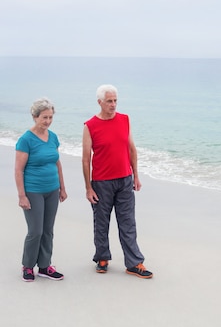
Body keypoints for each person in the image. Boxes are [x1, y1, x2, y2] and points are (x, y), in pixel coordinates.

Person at [82, 84, 153, 278]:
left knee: (128, 223)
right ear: (100, 102)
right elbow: (86, 158)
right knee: (101, 223)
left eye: (115, 101)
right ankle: (102, 257)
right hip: (101, 182)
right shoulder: (90, 126)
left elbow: (131, 149)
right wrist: (88, 187)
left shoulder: (124, 120)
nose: (113, 105)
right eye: (109, 101)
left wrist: (136, 175)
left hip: (124, 180)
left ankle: (134, 263)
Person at [15, 97, 67, 282]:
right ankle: (28, 266)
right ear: (35, 117)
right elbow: (18, 170)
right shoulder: (26, 140)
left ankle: (45, 266)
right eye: (44, 117)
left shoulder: (52, 137)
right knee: (35, 231)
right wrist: (22, 195)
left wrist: (62, 187)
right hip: (33, 191)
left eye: (50, 117)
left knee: (48, 230)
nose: (47, 121)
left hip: (52, 190)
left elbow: (57, 162)